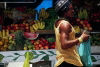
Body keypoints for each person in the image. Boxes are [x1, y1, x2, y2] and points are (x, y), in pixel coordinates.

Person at [54, 0, 90, 67]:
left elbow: (65, 40)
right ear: (65, 11)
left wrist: (77, 39)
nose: (73, 11)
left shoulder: (58, 23)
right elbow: (64, 44)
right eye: (71, 9)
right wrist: (80, 39)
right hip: (68, 61)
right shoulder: (65, 24)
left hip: (65, 61)